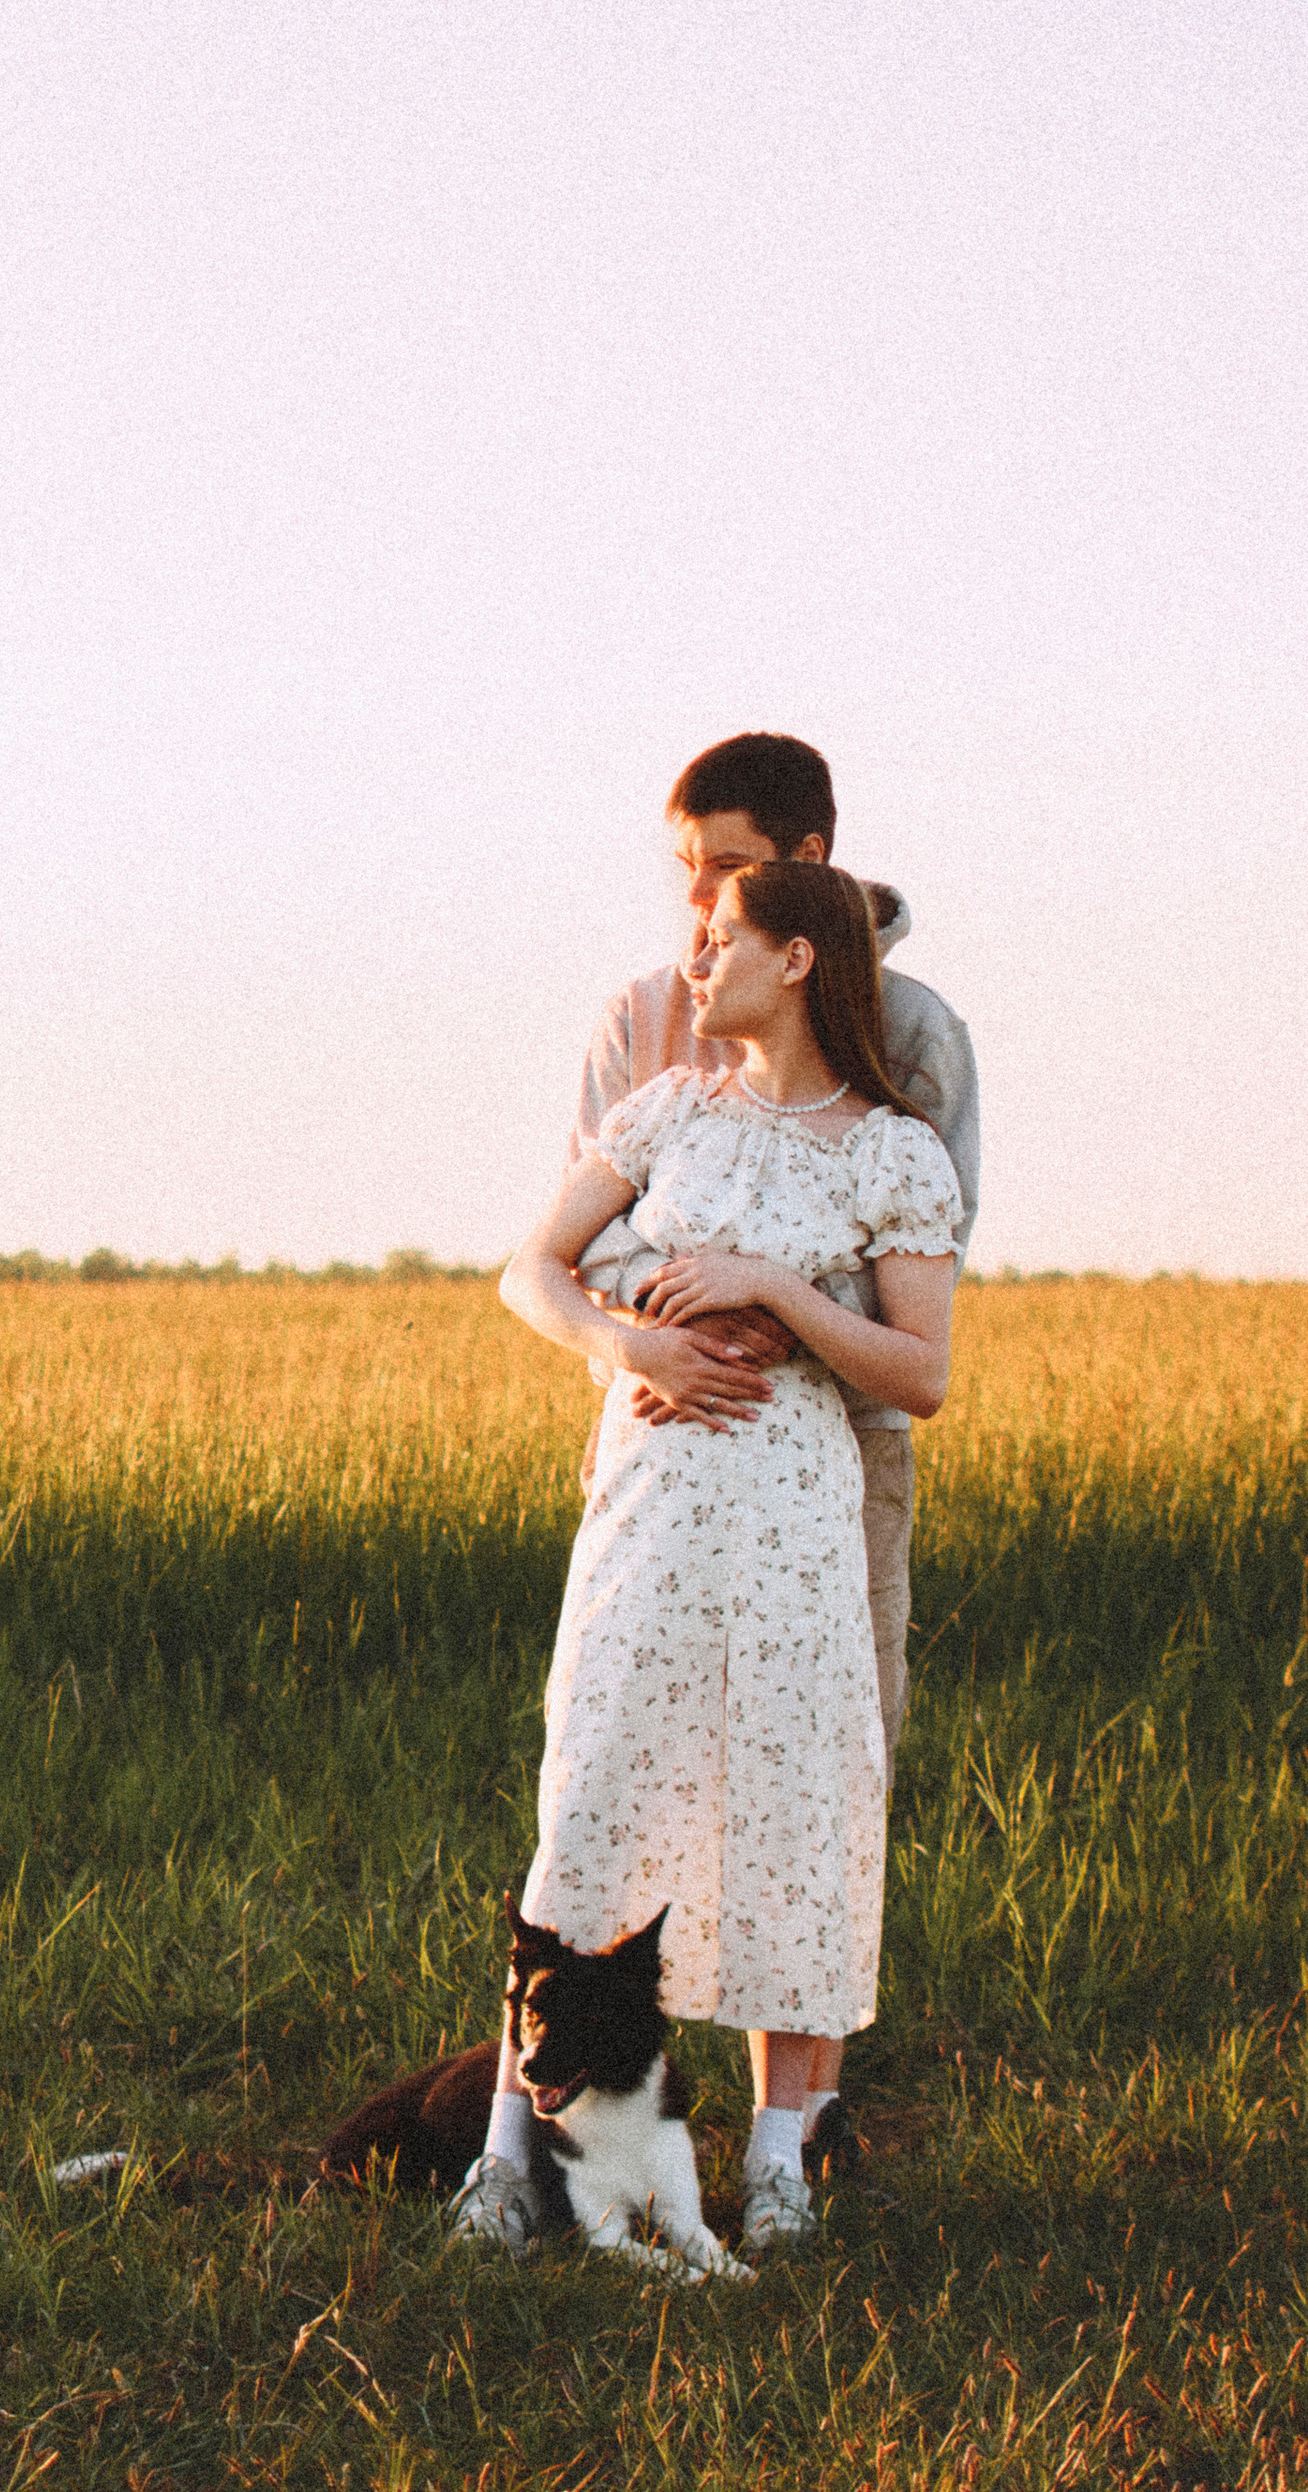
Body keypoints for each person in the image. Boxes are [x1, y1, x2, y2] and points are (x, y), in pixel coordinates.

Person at [452, 859, 963, 2257]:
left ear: (798, 959)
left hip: (794, 1512)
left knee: (794, 1803)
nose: (695, 959)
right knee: (594, 1787)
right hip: (652, 1501)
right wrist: (635, 1344)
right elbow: (531, 1271)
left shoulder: (890, 1151)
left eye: (721, 936)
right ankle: (509, 2159)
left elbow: (920, 1373)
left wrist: (778, 1292)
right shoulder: (668, 1109)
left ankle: (781, 2163)